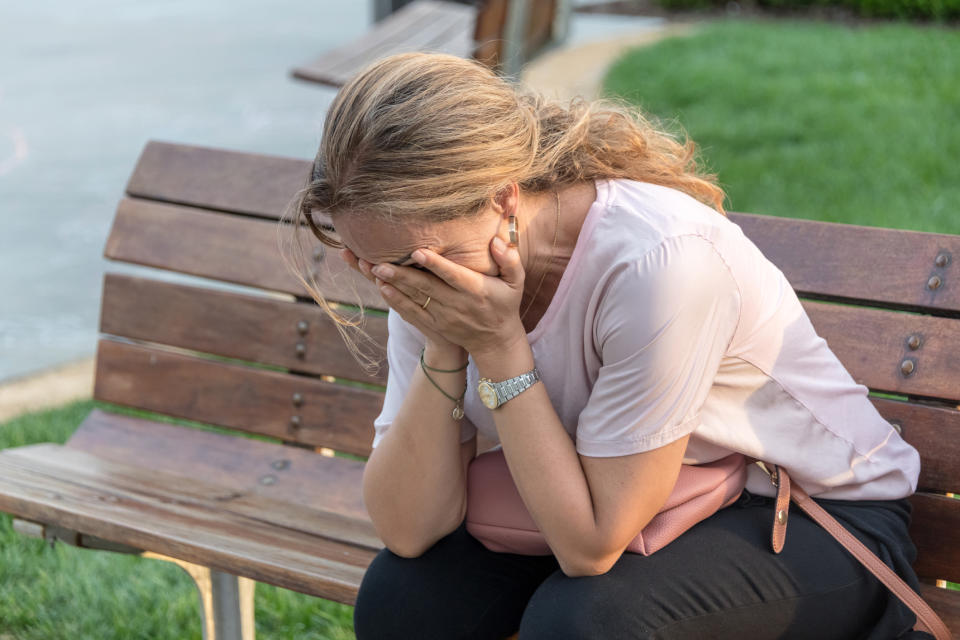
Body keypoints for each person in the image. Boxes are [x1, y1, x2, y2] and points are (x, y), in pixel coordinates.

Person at [285, 51, 928, 639]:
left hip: (815, 516)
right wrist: (446, 348)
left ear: (503, 195)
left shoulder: (660, 261)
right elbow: (408, 529)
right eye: (369, 263)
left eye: (417, 262)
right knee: (404, 600)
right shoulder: (429, 263)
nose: (395, 281)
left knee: (588, 623)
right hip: (630, 502)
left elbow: (590, 548)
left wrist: (501, 346)